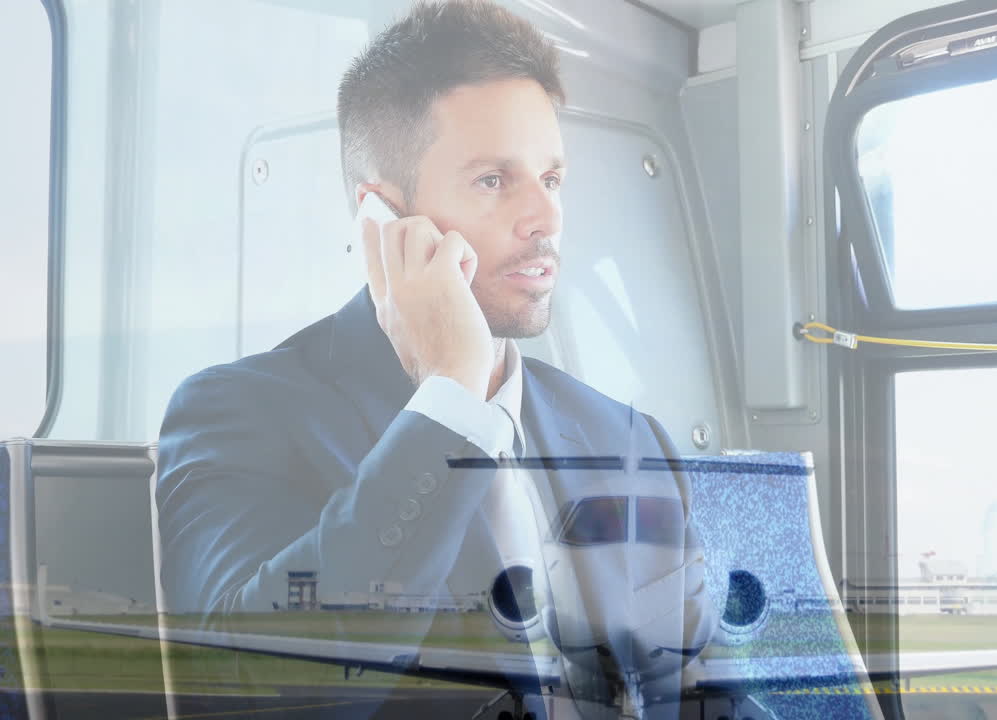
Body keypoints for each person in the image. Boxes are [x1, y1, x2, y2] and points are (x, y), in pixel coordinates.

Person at [154, 0, 689, 708]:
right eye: (493, 180)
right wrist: (452, 399)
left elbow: (713, 688)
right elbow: (256, 687)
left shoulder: (628, 438)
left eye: (551, 179)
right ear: (383, 216)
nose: (546, 218)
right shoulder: (240, 411)